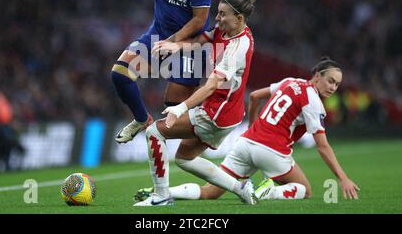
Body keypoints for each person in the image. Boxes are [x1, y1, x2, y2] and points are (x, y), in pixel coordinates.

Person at [67, 0, 213, 143]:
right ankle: (142, 119)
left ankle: (205, 136)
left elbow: (199, 20)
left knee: (174, 112)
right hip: (158, 35)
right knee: (120, 75)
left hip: (189, 46)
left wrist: (173, 42)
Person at [135, 57, 360, 202]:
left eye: (336, 84)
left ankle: (163, 193)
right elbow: (322, 146)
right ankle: (269, 191)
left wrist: (254, 128)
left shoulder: (290, 81)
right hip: (273, 151)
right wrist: (342, 178)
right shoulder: (313, 101)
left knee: (210, 193)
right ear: (317, 76)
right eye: (330, 80)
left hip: (245, 144)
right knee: (305, 190)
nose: (332, 87)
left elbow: (254, 96)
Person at [133, 0, 258, 206]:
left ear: (239, 18)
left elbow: (211, 86)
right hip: (230, 113)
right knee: (184, 158)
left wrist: (180, 108)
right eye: (217, 12)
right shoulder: (228, 30)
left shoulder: (238, 47)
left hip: (215, 113)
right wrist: (175, 45)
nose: (217, 18)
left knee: (154, 133)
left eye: (222, 14)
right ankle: (241, 188)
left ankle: (161, 196)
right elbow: (201, 40)